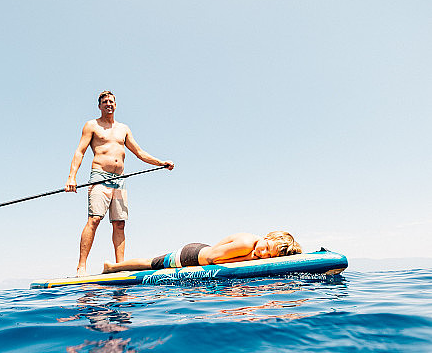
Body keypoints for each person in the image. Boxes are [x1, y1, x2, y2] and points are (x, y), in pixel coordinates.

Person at [65, 90, 174, 275]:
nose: (109, 104)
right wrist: (71, 177)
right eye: (105, 101)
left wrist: (160, 162)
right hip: (100, 176)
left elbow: (139, 152)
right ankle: (81, 266)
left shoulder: (123, 128)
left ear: (115, 105)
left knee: (120, 224)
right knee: (94, 219)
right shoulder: (92, 125)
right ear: (99, 106)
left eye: (111, 101)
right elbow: (80, 151)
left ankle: (119, 267)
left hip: (120, 180)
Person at [102, 231, 302, 273]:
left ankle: (115, 266)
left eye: (270, 255)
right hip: (190, 257)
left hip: (200, 250)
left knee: (151, 262)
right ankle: (113, 267)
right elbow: (214, 259)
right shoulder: (247, 244)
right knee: (150, 263)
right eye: (266, 248)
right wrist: (249, 258)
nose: (264, 254)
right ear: (266, 236)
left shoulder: (252, 243)